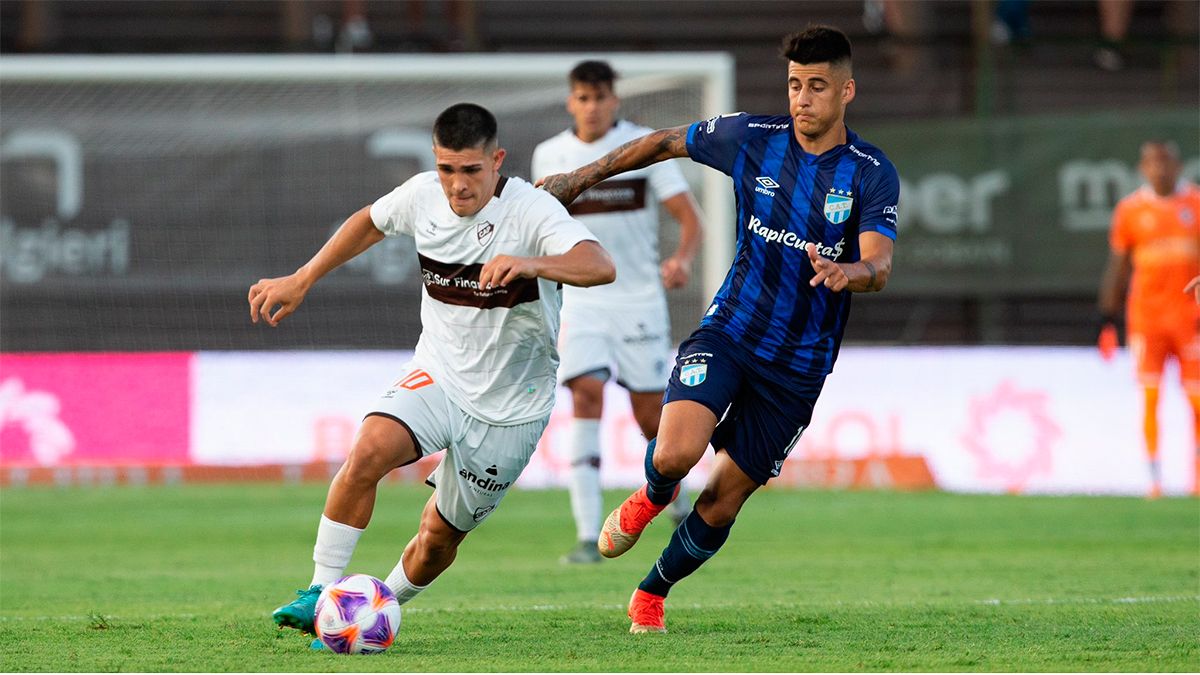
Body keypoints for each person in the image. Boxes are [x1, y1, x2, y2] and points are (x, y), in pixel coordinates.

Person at [539, 25, 898, 633]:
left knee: (723, 499)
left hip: (799, 365)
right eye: (795, 84)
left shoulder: (870, 171)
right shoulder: (751, 137)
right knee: (675, 452)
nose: (802, 98)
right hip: (730, 330)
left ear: (847, 91)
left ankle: (652, 592)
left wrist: (851, 272)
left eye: (817, 86)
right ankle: (653, 494)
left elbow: (880, 265)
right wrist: (581, 178)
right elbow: (662, 143)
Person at [252, 103, 615, 643]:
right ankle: (320, 591)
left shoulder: (532, 211)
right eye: (447, 169)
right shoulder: (422, 195)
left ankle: (375, 607)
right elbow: (368, 223)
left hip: (511, 409)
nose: (458, 184)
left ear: (497, 161)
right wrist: (302, 278)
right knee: (368, 451)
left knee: (438, 539)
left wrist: (532, 263)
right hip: (440, 373)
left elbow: (600, 265)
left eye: (471, 170)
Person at [531, 60, 705, 564]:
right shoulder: (549, 154)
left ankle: (676, 505)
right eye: (583, 98)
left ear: (615, 100)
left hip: (638, 299)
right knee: (585, 396)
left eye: (600, 97)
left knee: (651, 415)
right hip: (580, 299)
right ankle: (589, 535)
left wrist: (682, 259)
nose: (592, 107)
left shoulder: (642, 147)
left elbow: (690, 218)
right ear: (571, 102)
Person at [1097, 140, 1200, 498]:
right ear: (1143, 169)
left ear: (1178, 166)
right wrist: (1106, 317)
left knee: (1196, 399)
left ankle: (1196, 477)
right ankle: (1154, 479)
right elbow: (1118, 266)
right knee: (1151, 397)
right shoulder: (1131, 210)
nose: (1160, 170)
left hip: (1190, 318)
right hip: (1147, 320)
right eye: (1153, 164)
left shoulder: (1196, 204)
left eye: (1166, 162)